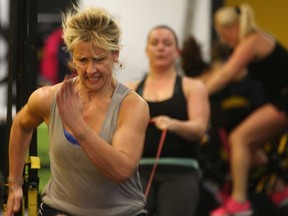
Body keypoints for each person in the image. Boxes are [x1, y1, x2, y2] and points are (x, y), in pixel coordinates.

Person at [6, 5, 150, 216]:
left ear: (115, 55)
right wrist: (15, 183)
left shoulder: (132, 105)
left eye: (99, 59)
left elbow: (121, 170)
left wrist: (79, 128)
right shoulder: (48, 98)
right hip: (60, 210)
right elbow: (21, 124)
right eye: (83, 60)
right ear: (73, 58)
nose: (91, 70)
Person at [204, 4, 288, 216]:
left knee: (239, 139)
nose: (223, 41)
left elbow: (226, 75)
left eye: (224, 35)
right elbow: (223, 72)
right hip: (277, 99)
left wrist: (197, 95)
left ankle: (239, 201)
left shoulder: (252, 42)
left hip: (283, 100)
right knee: (250, 146)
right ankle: (281, 189)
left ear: (234, 27)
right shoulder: (252, 42)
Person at [126, 25, 210, 216]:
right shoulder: (129, 89)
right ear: (147, 50)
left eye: (167, 43)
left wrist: (174, 124)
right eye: (155, 43)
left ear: (177, 52)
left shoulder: (193, 86)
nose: (161, 47)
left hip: (180, 170)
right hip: (137, 172)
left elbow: (199, 129)